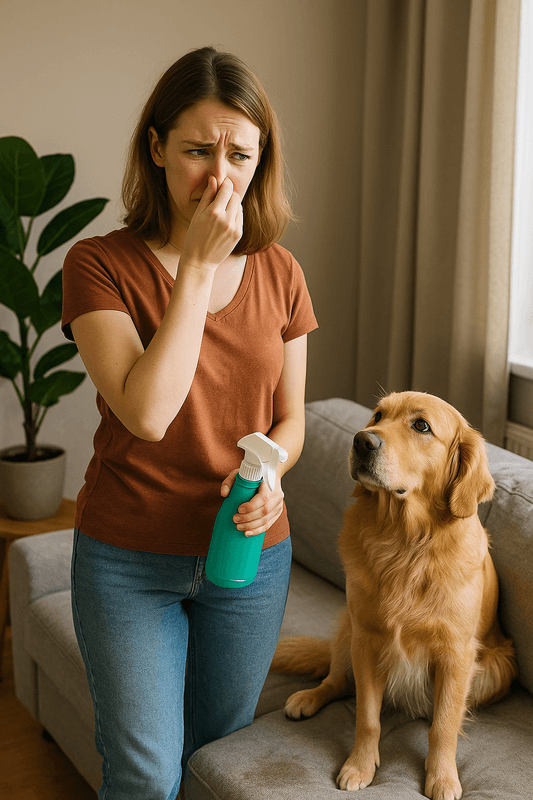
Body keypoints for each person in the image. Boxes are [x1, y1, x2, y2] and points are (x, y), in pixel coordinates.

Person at [62, 46, 317, 800]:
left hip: (250, 559)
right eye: (197, 151)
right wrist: (198, 270)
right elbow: (145, 412)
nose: (219, 175)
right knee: (144, 775)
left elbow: (291, 419)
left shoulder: (282, 271)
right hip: (127, 559)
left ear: (261, 157)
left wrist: (271, 473)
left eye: (239, 153)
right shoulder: (98, 264)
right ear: (156, 149)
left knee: (220, 759)